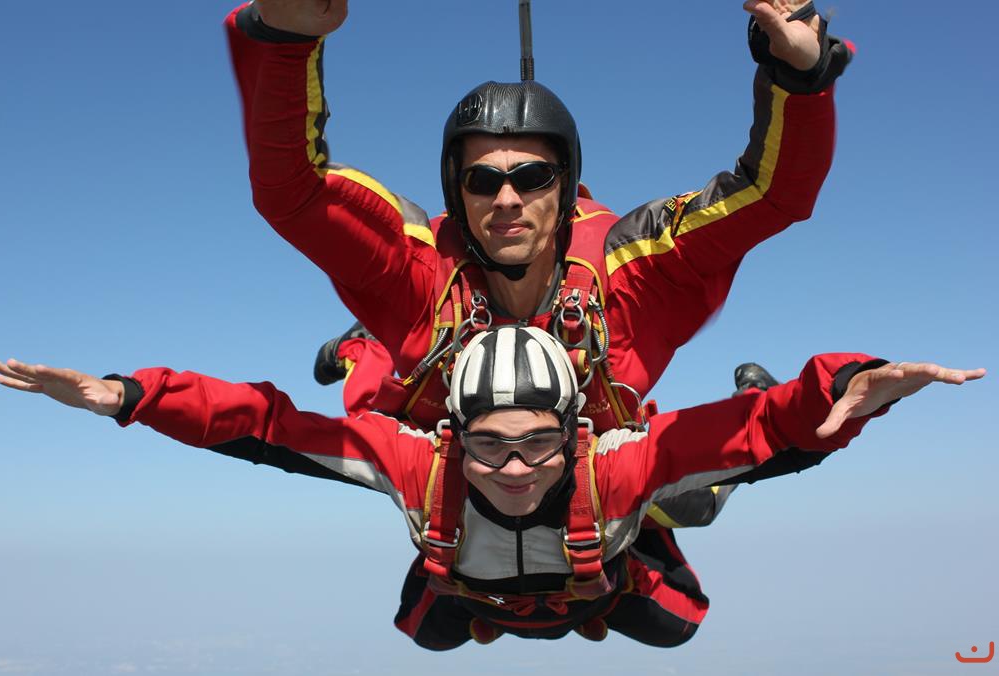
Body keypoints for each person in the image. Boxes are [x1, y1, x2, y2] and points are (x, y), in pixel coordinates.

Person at [0, 329, 984, 649]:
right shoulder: (420, 462)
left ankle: (665, 529)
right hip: (474, 580)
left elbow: (766, 433)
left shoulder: (613, 462)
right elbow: (267, 427)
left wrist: (852, 388)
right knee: (422, 627)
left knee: (683, 604)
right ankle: (366, 345)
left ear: (575, 431)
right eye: (490, 447)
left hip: (601, 570)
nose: (514, 468)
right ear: (453, 434)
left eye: (540, 444)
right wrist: (128, 397)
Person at [228, 0, 855, 436]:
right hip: (453, 462)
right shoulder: (419, 269)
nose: (507, 199)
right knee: (374, 410)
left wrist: (800, 75)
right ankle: (357, 346)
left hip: (596, 464)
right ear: (455, 193)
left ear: (567, 186)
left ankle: (753, 403)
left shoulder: (634, 268)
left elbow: (771, 196)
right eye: (481, 181)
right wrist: (286, 39)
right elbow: (293, 195)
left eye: (532, 178)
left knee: (685, 516)